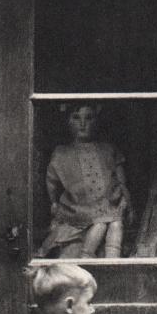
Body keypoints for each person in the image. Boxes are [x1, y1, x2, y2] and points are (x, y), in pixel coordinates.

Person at [39, 103, 131, 258]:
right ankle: (86, 254)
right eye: (76, 118)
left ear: (96, 121)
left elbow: (121, 181)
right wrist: (54, 204)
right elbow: (52, 185)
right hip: (77, 213)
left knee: (115, 224)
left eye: (89, 118)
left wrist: (125, 200)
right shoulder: (62, 153)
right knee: (95, 229)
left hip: (108, 206)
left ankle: (112, 261)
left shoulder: (107, 149)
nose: (82, 124)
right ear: (68, 121)